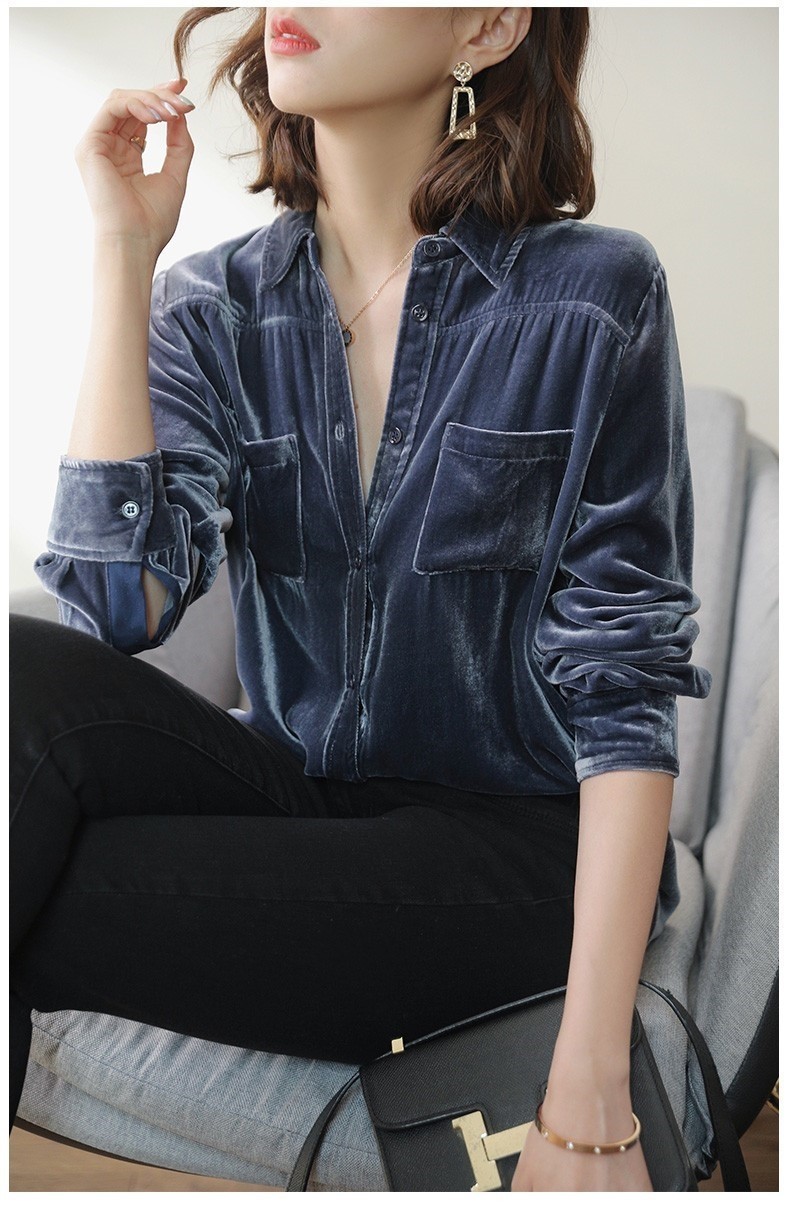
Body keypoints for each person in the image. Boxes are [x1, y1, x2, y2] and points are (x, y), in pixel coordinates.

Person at [9, 6, 712, 1192]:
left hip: (510, 848)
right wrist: (123, 254)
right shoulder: (214, 303)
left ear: (487, 26)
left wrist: (590, 1091)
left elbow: (623, 682)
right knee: (16, 676)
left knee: (30, 882)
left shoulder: (594, 293)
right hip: (298, 799)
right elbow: (121, 605)